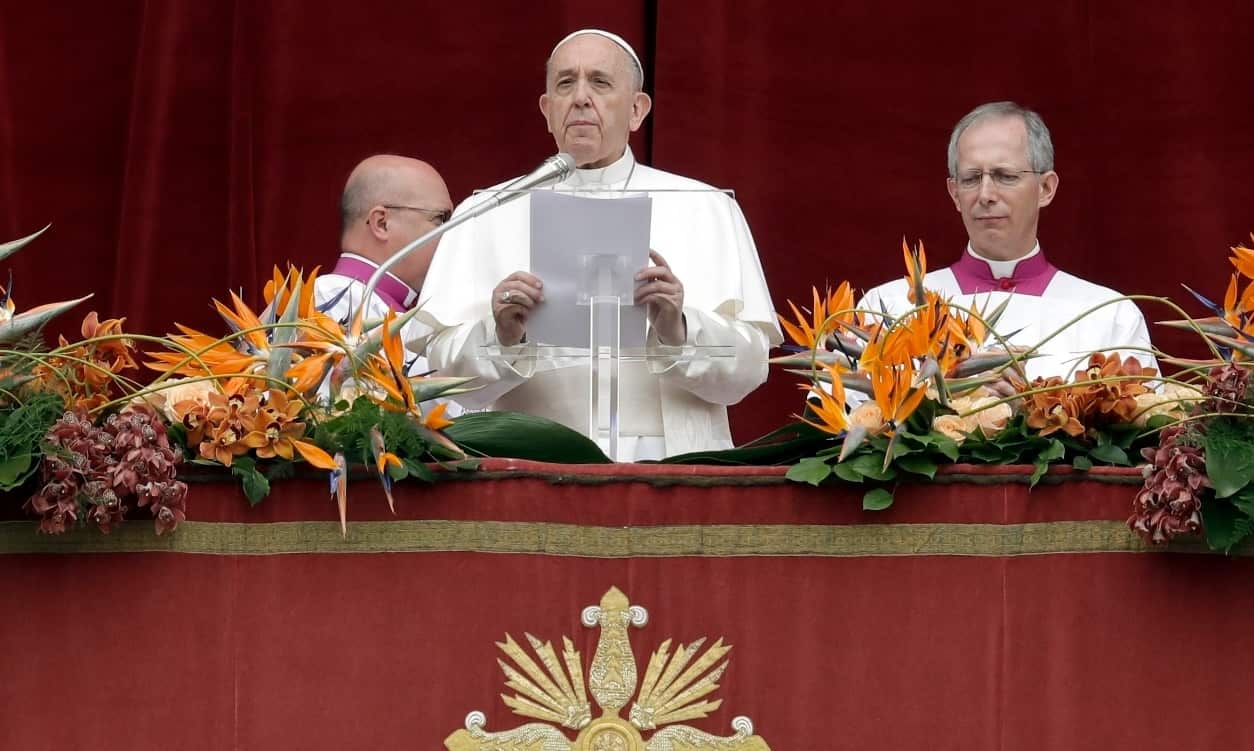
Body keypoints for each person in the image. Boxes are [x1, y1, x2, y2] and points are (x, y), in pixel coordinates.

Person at [417, 29, 781, 460]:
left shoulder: (705, 208)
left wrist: (678, 330)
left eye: (600, 82)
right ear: (547, 109)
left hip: (671, 466)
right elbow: (444, 377)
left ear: (637, 110)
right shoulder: (488, 212)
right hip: (534, 470)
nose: (581, 97)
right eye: (566, 83)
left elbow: (749, 370)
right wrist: (502, 336)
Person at [860, 101, 1155, 382]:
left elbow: (1147, 431)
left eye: (1005, 176)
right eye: (971, 178)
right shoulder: (888, 309)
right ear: (954, 194)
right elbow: (837, 428)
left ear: (1046, 188)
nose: (986, 194)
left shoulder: (1109, 316)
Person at [315, 154, 453, 366]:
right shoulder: (334, 302)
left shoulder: (360, 301)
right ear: (382, 223)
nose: (450, 235)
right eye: (441, 220)